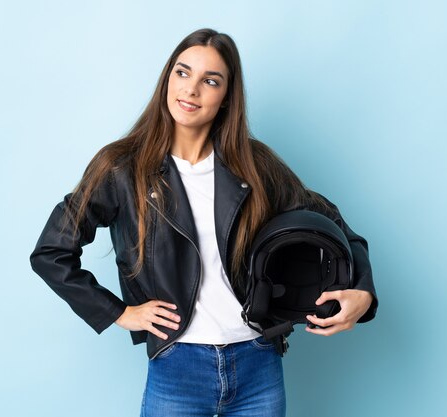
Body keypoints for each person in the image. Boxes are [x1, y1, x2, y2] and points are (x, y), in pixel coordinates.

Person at [30, 27, 378, 417]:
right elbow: (51, 251)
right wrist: (120, 312)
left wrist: (362, 292)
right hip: (177, 365)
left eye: (210, 81)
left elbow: (330, 222)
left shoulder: (256, 165)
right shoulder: (122, 168)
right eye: (182, 73)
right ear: (167, 79)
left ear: (227, 97)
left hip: (258, 362)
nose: (191, 89)